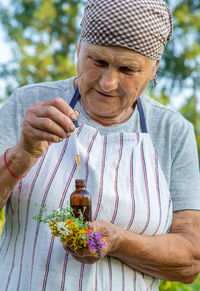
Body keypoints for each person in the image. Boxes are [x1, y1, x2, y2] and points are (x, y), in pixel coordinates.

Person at [0, 0, 200, 290]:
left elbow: (190, 261)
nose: (108, 82)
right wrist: (22, 153)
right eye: (98, 62)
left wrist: (117, 241)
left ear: (154, 69)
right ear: (79, 49)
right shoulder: (27, 104)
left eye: (128, 69)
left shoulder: (172, 131)